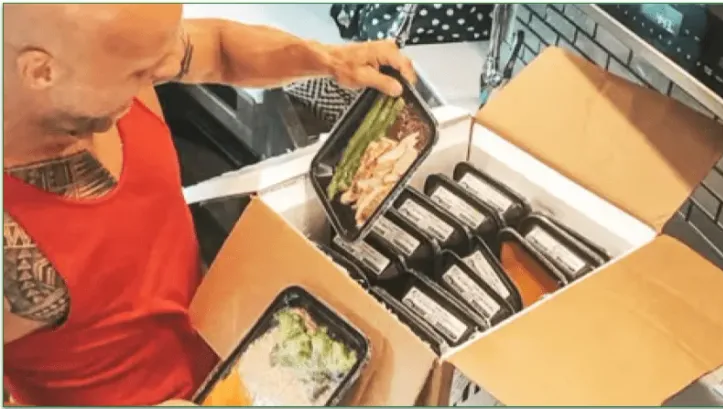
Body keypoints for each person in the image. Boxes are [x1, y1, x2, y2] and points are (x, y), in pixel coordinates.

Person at [3, 4, 416, 406]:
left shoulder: (114, 55)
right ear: (41, 70)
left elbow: (217, 48)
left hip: (238, 357)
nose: (168, 69)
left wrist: (327, 59)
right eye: (140, 71)